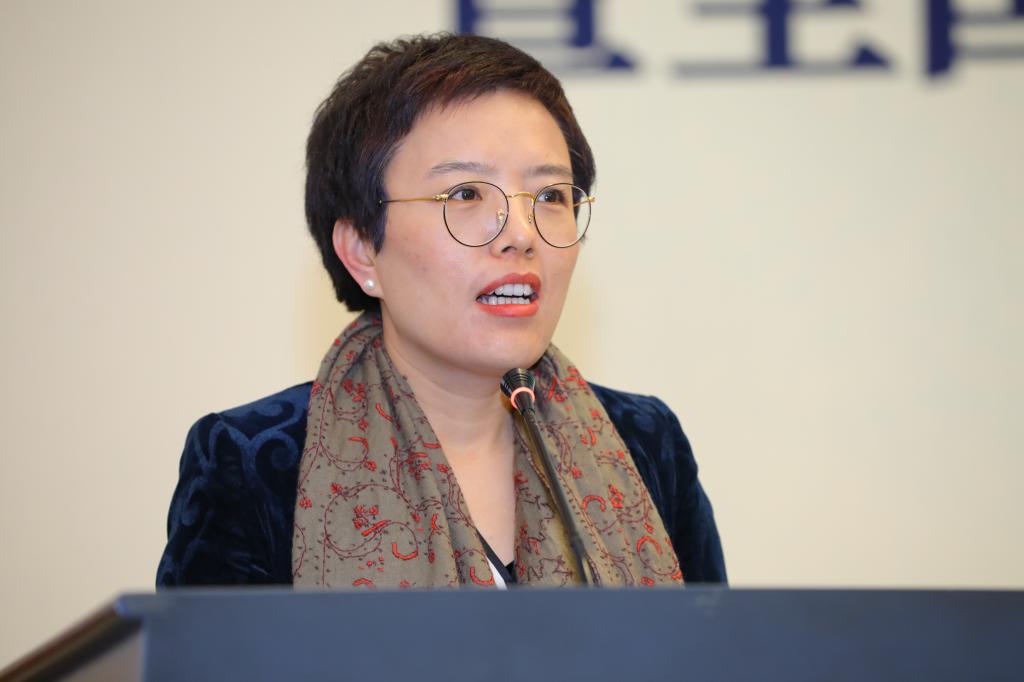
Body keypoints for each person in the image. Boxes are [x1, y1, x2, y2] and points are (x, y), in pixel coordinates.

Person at [157, 32, 725, 589]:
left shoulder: (644, 442)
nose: (521, 234)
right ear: (362, 249)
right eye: (465, 194)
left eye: (550, 196)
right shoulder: (254, 463)